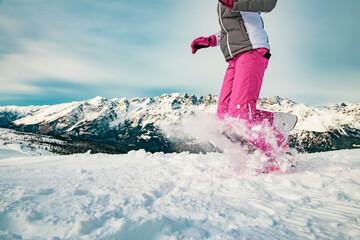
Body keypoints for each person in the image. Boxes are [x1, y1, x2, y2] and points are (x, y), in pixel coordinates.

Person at [191, 0, 297, 157]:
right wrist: (210, 40)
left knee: (239, 117)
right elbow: (231, 30)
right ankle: (275, 121)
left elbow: (267, 4)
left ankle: (278, 153)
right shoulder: (221, 5)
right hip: (234, 58)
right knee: (224, 116)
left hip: (252, 50)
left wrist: (234, 2)